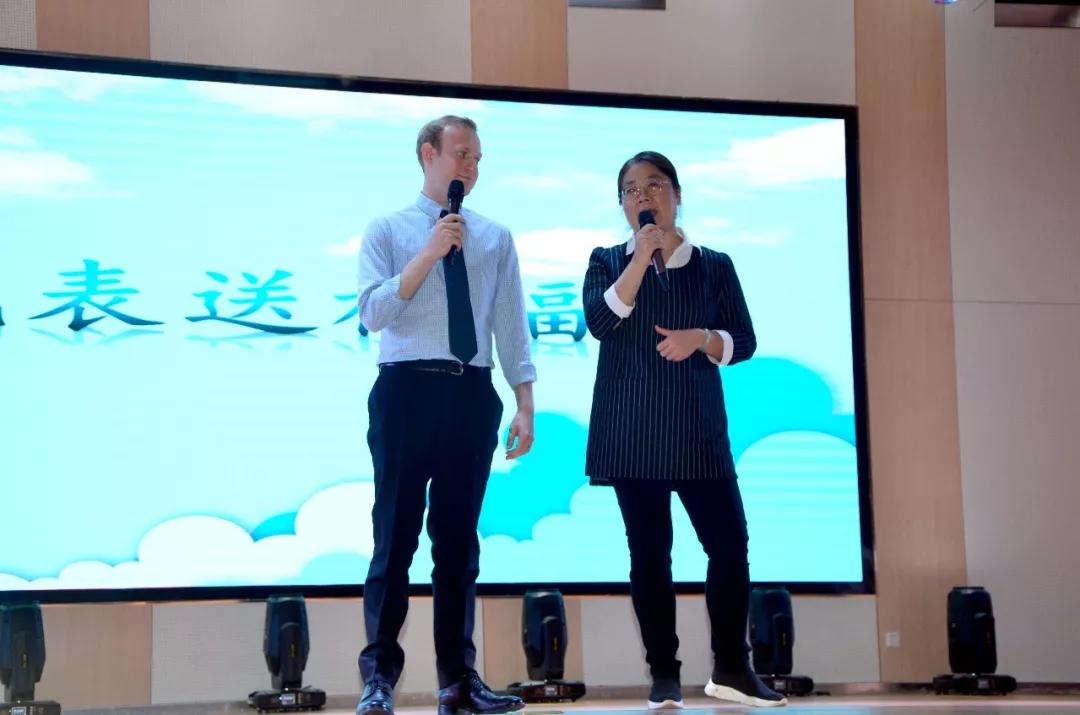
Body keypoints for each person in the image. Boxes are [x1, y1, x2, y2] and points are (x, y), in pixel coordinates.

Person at [581, 151, 787, 709]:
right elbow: (600, 322)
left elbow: (744, 341)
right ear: (622, 205)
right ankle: (664, 675)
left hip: (698, 430)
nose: (643, 198)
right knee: (650, 555)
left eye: (654, 185)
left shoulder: (715, 265)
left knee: (729, 546)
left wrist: (702, 338)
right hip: (632, 431)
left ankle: (732, 668)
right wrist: (638, 259)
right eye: (630, 191)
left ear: (677, 194)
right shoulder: (605, 260)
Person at [353, 115, 535, 715]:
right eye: (461, 154)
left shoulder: (495, 237)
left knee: (458, 547)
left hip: (471, 393)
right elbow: (371, 314)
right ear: (427, 154)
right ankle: (379, 681)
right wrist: (429, 253)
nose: (471, 168)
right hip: (404, 392)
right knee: (394, 541)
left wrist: (524, 401)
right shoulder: (388, 229)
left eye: (478, 158)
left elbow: (510, 323)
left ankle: (458, 682)